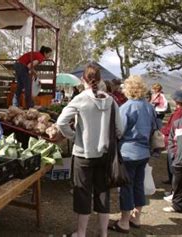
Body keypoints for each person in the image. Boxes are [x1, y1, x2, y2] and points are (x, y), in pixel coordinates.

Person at [56, 63, 122, 237]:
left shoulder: (80, 98)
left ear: (83, 79)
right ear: (100, 79)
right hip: (106, 155)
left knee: (83, 193)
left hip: (83, 154)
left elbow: (61, 122)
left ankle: (81, 233)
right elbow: (120, 128)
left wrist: (73, 136)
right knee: (103, 193)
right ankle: (103, 234)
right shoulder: (111, 100)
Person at [109, 75, 156, 233]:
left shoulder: (127, 107)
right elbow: (156, 127)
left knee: (126, 187)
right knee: (138, 184)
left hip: (129, 152)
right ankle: (136, 217)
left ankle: (124, 222)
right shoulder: (149, 107)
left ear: (129, 89)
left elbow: (119, 130)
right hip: (144, 152)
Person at [160, 90, 182, 187]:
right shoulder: (179, 112)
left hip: (173, 142)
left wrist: (163, 131)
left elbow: (172, 127)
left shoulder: (179, 113)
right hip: (173, 142)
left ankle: (174, 189)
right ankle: (172, 183)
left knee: (173, 167)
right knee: (171, 166)